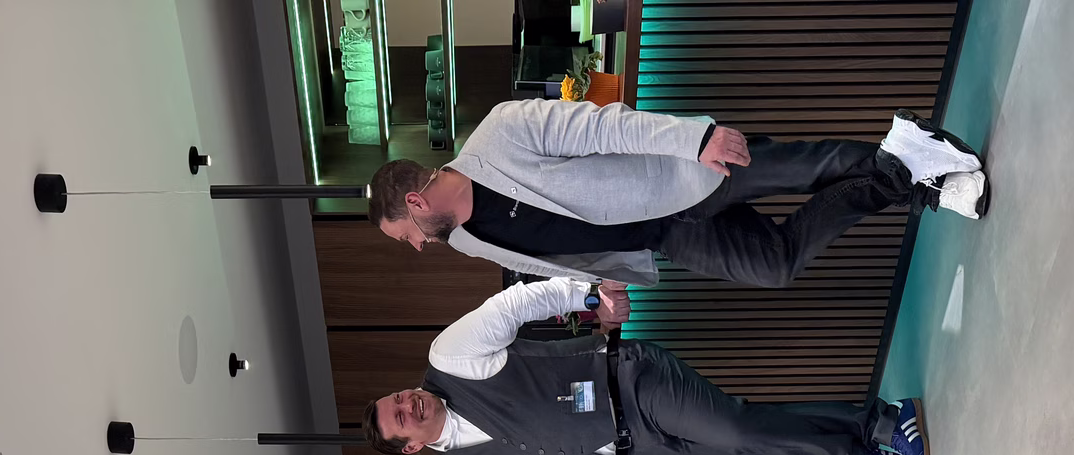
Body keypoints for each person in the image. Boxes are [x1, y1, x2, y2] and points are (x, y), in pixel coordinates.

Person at [362, 274, 929, 455]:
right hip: (630, 454)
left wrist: (588, 297)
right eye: (402, 417)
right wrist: (586, 449)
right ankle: (873, 421)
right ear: (411, 445)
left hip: (627, 382)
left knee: (738, 430)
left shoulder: (447, 357)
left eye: (399, 398)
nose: (409, 403)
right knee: (749, 438)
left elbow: (515, 302)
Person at [368, 102, 987, 287]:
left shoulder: (499, 130)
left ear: (416, 204)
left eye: (405, 237)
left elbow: (602, 122)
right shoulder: (469, 242)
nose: (417, 248)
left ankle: (918, 174)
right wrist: (601, 287)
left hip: (675, 175)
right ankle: (907, 159)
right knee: (773, 265)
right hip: (665, 235)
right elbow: (552, 256)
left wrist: (696, 139)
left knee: (809, 169)